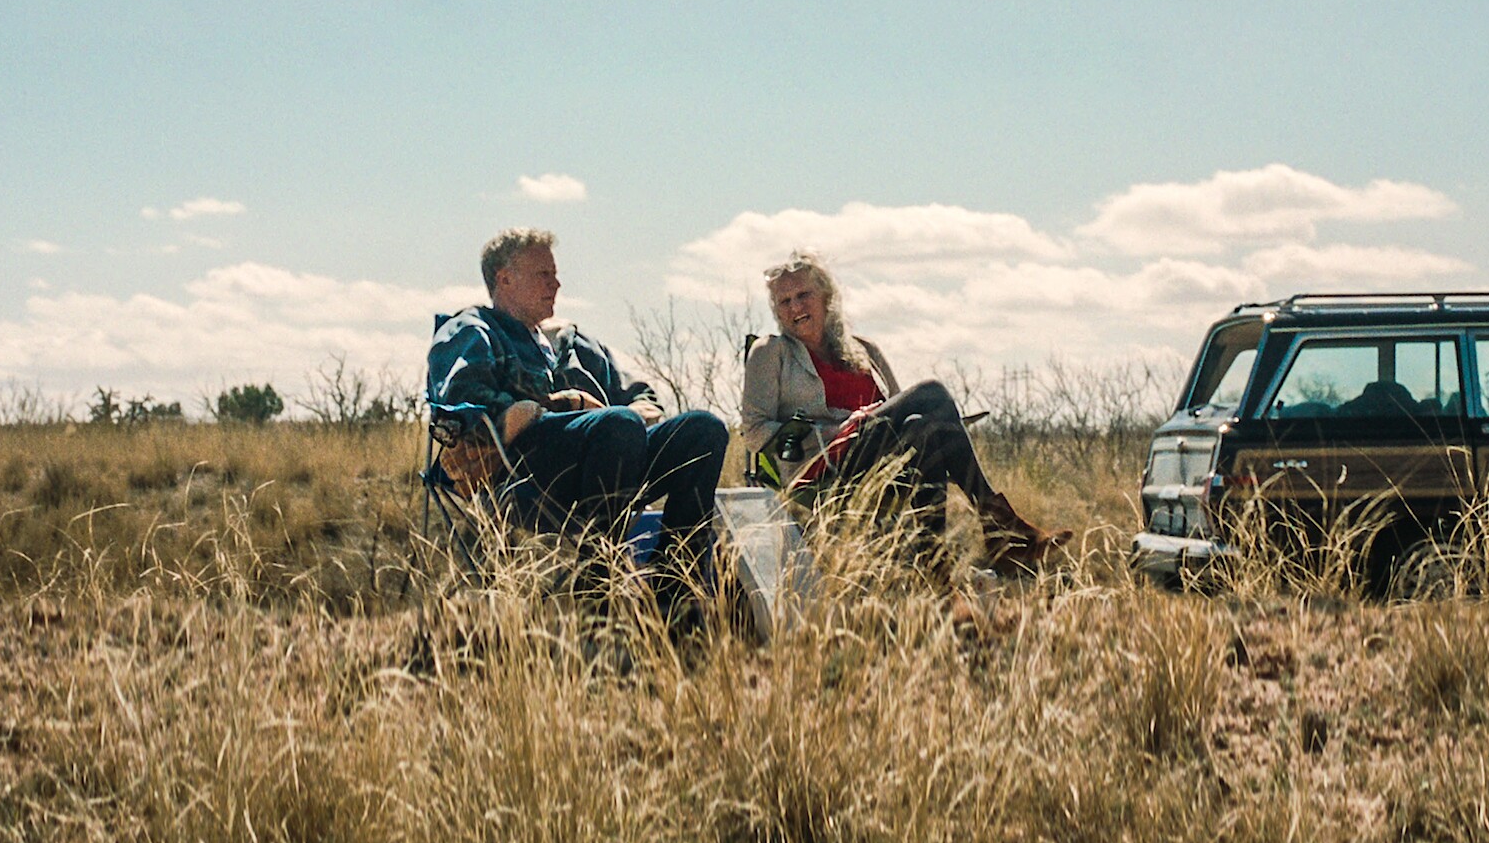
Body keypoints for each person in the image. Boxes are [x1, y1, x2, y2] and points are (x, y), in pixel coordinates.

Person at [427, 227, 728, 605]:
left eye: (555, 274)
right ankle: (598, 586)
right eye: (544, 274)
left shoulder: (567, 342)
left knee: (703, 430)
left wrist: (638, 408)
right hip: (524, 471)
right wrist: (563, 404)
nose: (556, 284)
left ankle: (675, 586)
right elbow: (464, 400)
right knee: (619, 424)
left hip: (611, 456)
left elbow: (635, 394)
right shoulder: (474, 329)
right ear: (505, 279)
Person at [740, 250, 1072, 570]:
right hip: (825, 470)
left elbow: (900, 411)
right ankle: (1001, 530)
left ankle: (935, 565)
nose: (795, 307)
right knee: (932, 392)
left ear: (826, 296)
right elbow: (754, 433)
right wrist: (831, 431)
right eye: (784, 301)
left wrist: (876, 423)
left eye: (803, 295)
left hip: (880, 457)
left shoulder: (864, 350)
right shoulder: (771, 352)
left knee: (922, 428)